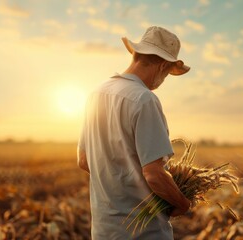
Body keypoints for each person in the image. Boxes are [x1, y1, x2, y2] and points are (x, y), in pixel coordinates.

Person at [77, 26, 191, 240]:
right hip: (143, 233)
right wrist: (183, 203)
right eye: (167, 74)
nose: (163, 81)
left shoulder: (95, 94)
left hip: (103, 231)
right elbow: (154, 174)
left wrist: (117, 184)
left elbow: (84, 160)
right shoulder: (144, 99)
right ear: (163, 66)